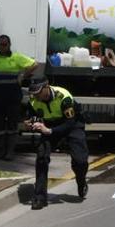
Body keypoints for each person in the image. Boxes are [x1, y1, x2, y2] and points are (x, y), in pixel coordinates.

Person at [25, 79, 88, 210]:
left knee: (80, 161)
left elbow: (70, 123)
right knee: (41, 158)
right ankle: (40, 197)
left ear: (46, 87)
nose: (36, 97)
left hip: (72, 125)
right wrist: (29, 123)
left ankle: (81, 181)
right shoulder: (33, 100)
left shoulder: (63, 96)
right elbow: (30, 115)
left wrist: (49, 131)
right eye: (34, 94)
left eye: (38, 93)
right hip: (50, 125)